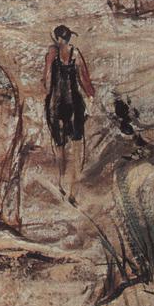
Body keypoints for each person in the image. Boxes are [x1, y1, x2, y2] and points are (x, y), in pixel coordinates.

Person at [43, 24, 95, 202]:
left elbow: (47, 80)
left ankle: (61, 181)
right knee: (77, 144)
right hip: (74, 103)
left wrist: (49, 95)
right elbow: (84, 79)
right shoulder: (76, 54)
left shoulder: (52, 54)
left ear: (58, 39)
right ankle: (73, 188)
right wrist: (91, 96)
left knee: (59, 145)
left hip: (57, 104)